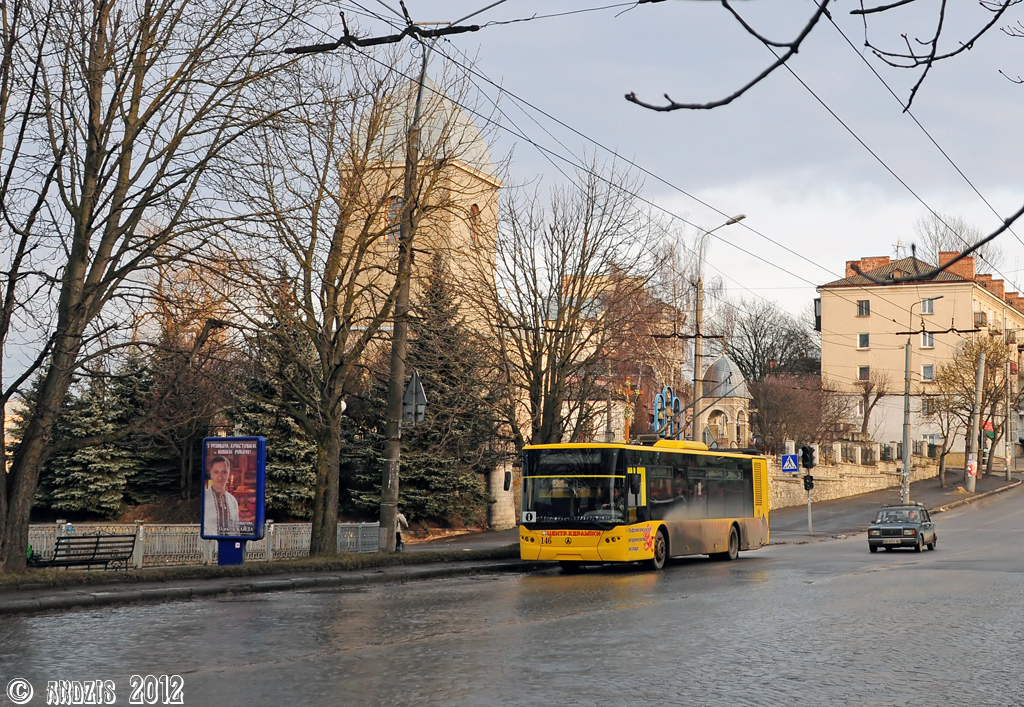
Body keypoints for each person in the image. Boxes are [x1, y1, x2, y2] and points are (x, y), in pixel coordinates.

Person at [204, 455, 240, 535]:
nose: (220, 477)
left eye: (224, 472)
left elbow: (236, 530)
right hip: (210, 545)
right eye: (216, 472)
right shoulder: (204, 498)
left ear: (228, 473)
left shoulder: (232, 500)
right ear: (211, 473)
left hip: (230, 545)